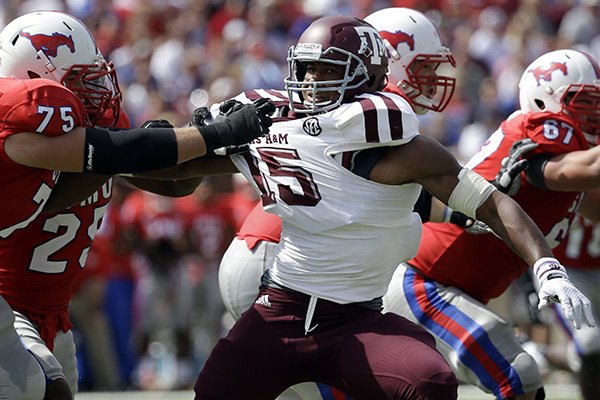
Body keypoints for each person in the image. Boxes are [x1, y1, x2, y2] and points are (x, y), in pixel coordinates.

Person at [137, 13, 593, 400]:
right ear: (382, 66)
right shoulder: (330, 120)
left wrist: (515, 244)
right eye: (418, 69)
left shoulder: (380, 133)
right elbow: (193, 172)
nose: (430, 83)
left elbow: (425, 198)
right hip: (276, 263)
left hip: (332, 291)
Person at [0, 10, 273, 400]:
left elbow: (178, 181)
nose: (98, 85)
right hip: (9, 303)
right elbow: (101, 161)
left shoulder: (90, 134)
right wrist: (210, 135)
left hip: (54, 310)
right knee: (46, 391)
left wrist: (251, 146)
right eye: (80, 78)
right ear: (35, 81)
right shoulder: (27, 136)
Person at [380, 48, 600, 400]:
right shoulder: (542, 144)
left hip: (451, 288)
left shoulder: (564, 169)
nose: (595, 114)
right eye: (585, 102)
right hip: (425, 283)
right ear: (545, 101)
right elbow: (584, 169)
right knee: (518, 373)